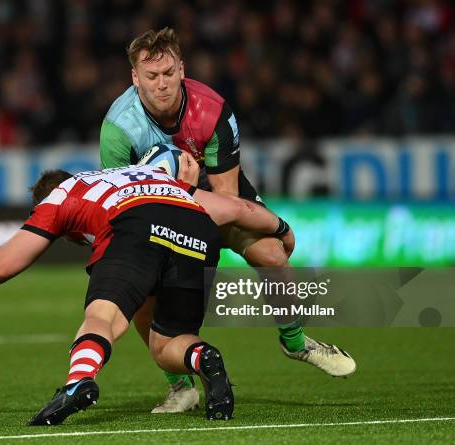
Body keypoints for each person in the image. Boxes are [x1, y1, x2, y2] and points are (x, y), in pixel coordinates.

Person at [100, 27, 356, 413]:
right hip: (152, 205)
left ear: (182, 69)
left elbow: (226, 200)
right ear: (135, 78)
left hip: (212, 194)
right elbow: (124, 206)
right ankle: (180, 387)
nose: (162, 84)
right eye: (151, 77)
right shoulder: (118, 129)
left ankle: (296, 342)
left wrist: (266, 230)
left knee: (271, 254)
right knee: (143, 300)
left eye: (169, 73)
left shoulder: (213, 110)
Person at [0, 161, 286, 425]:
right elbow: (236, 209)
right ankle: (204, 358)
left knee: (104, 317)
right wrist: (282, 229)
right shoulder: (143, 173)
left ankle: (80, 380)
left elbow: (2, 266)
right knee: (169, 342)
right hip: (196, 227)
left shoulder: (60, 196)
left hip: (134, 223)